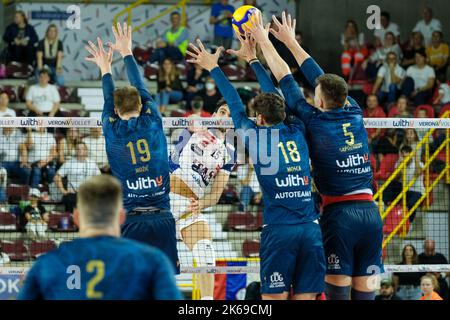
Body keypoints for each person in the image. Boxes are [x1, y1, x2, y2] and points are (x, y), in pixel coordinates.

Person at [250, 12, 383, 300]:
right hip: (372, 216)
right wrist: (290, 41)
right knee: (367, 296)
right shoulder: (354, 110)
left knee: (336, 294)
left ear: (318, 101)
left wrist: (265, 41)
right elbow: (323, 79)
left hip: (339, 217)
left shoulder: (312, 120)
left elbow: (285, 78)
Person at [187, 36, 326, 300]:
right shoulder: (298, 129)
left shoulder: (254, 135)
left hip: (279, 232)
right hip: (310, 228)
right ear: (283, 114)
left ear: (259, 119)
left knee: (273, 299)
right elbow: (275, 98)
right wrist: (253, 60)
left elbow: (234, 102)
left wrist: (214, 68)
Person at [84, 23, 179, 273]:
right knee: (163, 282)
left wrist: (105, 67)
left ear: (116, 111)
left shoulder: (112, 130)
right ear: (141, 103)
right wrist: (127, 52)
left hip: (131, 220)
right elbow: (142, 87)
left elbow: (108, 99)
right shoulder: (153, 121)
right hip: (162, 218)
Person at [18, 175, 182, 300]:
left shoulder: (46, 265)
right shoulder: (152, 261)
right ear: (121, 217)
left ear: (76, 217)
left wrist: (30, 284)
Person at [169, 100, 236, 300]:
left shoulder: (229, 153)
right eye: (223, 111)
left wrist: (203, 203)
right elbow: (191, 121)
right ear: (215, 114)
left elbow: (215, 194)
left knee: (207, 256)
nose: (225, 117)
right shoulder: (198, 128)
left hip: (189, 209)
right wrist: (197, 121)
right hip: (165, 202)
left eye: (230, 115)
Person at [54, 142, 101, 212]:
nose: (80, 150)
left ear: (86, 150)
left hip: (88, 193)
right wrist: (63, 191)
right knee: (70, 200)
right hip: (73, 194)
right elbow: (57, 177)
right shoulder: (69, 163)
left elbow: (99, 179)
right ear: (75, 151)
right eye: (78, 149)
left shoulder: (92, 163)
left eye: (82, 149)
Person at [383, 145, 424, 223]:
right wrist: (401, 166)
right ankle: (382, 203)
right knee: (393, 184)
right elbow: (395, 178)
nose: (405, 157)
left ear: (411, 155)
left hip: (417, 191)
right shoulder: (400, 163)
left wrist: (416, 159)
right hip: (405, 190)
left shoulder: (419, 163)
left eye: (406, 154)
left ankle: (409, 223)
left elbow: (418, 173)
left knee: (411, 204)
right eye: (403, 155)